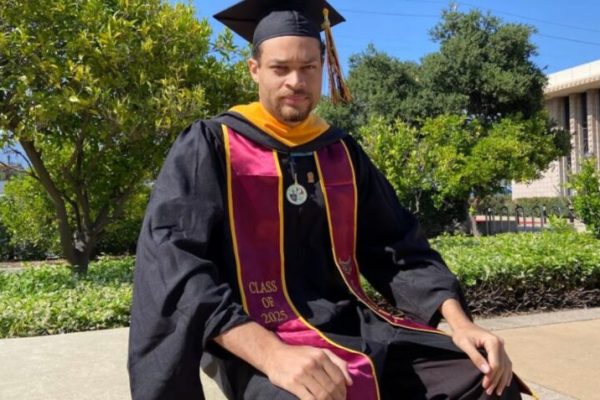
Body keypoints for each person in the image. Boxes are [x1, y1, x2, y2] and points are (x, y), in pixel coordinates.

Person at [127, 1, 535, 399]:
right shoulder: (212, 145)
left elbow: (398, 246)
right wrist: (272, 355)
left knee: (486, 380)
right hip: (253, 336)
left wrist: (461, 324)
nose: (296, 81)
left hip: (354, 326)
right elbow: (174, 263)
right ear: (254, 70)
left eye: (308, 67)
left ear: (324, 68)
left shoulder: (340, 152)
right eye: (280, 68)